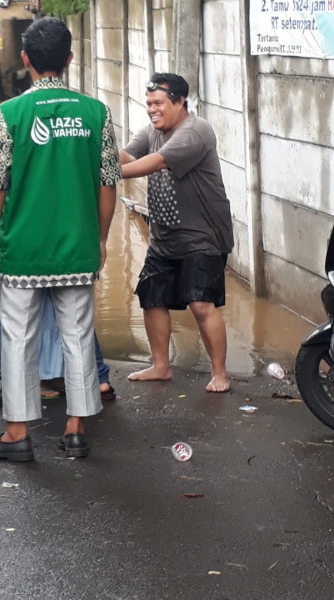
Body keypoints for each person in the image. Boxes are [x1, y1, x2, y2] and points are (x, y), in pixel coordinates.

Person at [0, 18, 121, 462]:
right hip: (77, 246)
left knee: (17, 339)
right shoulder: (96, 112)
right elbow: (107, 184)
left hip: (25, 250)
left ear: (25, 60)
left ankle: (17, 434)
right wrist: (102, 238)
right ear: (70, 59)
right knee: (77, 334)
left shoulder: (9, 114)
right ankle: (75, 430)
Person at [120, 73, 234, 393]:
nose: (152, 110)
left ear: (180, 101)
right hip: (164, 236)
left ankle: (220, 373)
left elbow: (155, 162)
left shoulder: (195, 131)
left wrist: (100, 172)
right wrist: (93, 156)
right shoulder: (152, 131)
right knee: (151, 296)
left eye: (158, 103)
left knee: (201, 304)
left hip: (204, 236)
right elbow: (128, 156)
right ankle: (160, 366)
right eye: (148, 104)